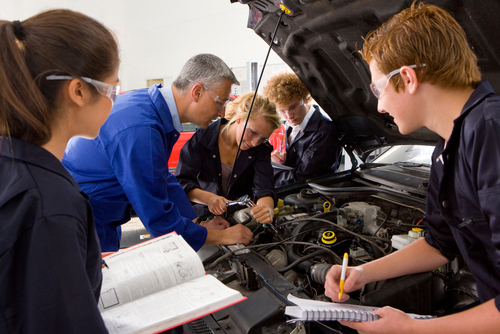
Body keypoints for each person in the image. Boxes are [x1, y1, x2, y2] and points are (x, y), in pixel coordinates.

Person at [324, 2, 500, 333]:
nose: (379, 104)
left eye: (378, 88)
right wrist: (364, 273)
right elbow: (440, 243)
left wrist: (411, 329)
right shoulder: (447, 148)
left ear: (407, 77)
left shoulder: (490, 133)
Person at [0, 9, 119, 332]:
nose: (114, 102)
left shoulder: (12, 163)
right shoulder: (49, 203)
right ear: (78, 91)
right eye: (112, 90)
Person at [63, 54, 253, 252]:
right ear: (196, 92)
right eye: (220, 102)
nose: (222, 113)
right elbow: (158, 217)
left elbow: (161, 178)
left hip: (96, 218)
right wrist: (221, 236)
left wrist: (197, 224)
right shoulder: (142, 129)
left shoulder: (149, 105)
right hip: (81, 225)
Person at [175, 92, 281, 223]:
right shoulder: (202, 139)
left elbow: (264, 188)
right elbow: (181, 182)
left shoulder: (261, 149)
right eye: (252, 132)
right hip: (202, 220)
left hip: (240, 219)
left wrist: (266, 209)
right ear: (239, 118)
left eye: (263, 138)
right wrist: (209, 199)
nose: (255, 143)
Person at [262, 71, 342, 187]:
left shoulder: (325, 132)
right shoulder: (290, 126)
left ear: (306, 98)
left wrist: (270, 170)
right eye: (282, 111)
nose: (289, 116)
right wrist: (280, 163)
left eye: (293, 107)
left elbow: (303, 178)